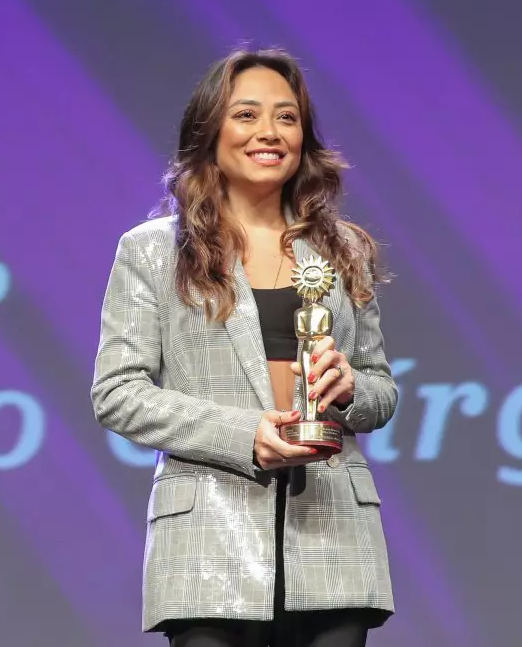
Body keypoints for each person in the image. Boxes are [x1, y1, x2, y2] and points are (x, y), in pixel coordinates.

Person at [90, 47, 398, 647]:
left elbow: (381, 389)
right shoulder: (154, 251)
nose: (269, 133)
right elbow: (117, 393)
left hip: (333, 537)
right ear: (211, 131)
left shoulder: (342, 251)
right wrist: (245, 435)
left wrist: (350, 390)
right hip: (208, 542)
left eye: (287, 117)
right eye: (247, 114)